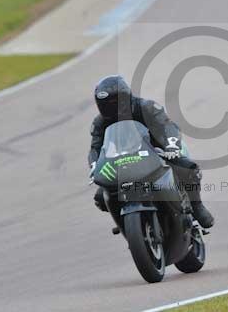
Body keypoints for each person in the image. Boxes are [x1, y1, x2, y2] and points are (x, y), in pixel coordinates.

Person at [87, 75, 214, 228]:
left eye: (115, 103)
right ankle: (125, 222)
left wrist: (171, 145)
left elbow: (167, 126)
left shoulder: (146, 107)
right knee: (101, 196)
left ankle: (197, 206)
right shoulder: (100, 122)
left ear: (126, 98)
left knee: (188, 168)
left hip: (159, 151)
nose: (111, 108)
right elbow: (95, 147)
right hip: (123, 160)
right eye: (105, 105)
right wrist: (94, 165)